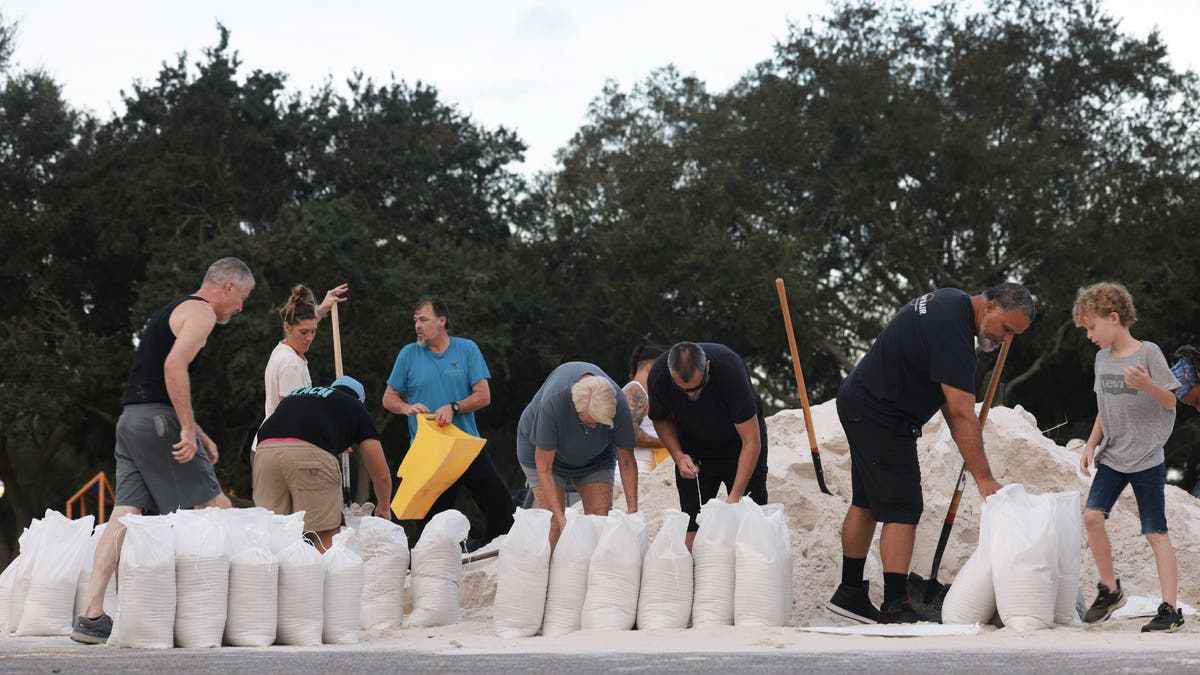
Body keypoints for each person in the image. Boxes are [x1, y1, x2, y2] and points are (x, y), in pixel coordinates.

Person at [71, 257, 255, 645]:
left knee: (123, 514)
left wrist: (199, 431)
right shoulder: (202, 313)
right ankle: (247, 613)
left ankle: (90, 615)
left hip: (131, 421)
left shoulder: (172, 309)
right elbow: (174, 367)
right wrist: (186, 429)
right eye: (243, 298)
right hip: (158, 423)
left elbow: (153, 379)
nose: (241, 308)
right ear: (228, 287)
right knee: (217, 505)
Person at [826, 283, 1033, 625]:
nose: (1005, 340)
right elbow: (963, 411)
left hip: (864, 401)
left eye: (1014, 335)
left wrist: (971, 456)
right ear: (991, 307)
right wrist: (983, 478)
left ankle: (850, 593)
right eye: (1007, 329)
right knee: (904, 507)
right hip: (881, 411)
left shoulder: (950, 302)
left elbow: (951, 408)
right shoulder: (954, 334)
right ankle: (894, 605)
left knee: (866, 502)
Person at [1073, 282, 1183, 632]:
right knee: (1092, 516)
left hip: (1147, 457)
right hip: (1114, 455)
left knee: (1155, 532)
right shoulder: (1101, 359)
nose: (1089, 334)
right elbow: (1104, 407)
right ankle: (1110, 589)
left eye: (1092, 327)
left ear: (1114, 317)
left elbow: (1170, 401)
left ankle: (1170, 610)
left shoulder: (1148, 353)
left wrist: (1147, 385)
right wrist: (1091, 444)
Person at [382, 296, 513, 546]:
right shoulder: (408, 354)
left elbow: (483, 395)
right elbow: (389, 398)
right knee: (430, 525)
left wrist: (455, 407)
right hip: (429, 451)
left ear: (442, 321)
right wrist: (406, 407)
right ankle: (437, 562)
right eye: (415, 320)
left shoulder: (467, 349)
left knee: (501, 505)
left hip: (465, 445)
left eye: (423, 319)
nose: (417, 325)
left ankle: (494, 550)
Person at [646, 342, 768, 549]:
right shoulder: (659, 376)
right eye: (682, 390)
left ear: (708, 367)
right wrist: (678, 455)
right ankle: (695, 577)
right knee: (692, 521)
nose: (691, 395)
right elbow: (660, 418)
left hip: (738, 446)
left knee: (749, 518)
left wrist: (735, 497)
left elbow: (751, 441)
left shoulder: (731, 371)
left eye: (696, 387)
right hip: (692, 448)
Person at [255, 375, 392, 552]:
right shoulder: (356, 406)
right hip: (309, 454)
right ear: (360, 399)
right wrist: (384, 506)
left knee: (274, 532)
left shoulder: (297, 395)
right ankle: (324, 576)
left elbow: (297, 427)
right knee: (323, 536)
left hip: (265, 452)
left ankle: (264, 577)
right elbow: (381, 474)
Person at [517, 362, 638, 546]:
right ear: (576, 407)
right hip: (547, 458)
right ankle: (551, 572)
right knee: (554, 526)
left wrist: (633, 512)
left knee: (600, 520)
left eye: (601, 423)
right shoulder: (554, 402)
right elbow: (544, 467)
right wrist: (560, 518)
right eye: (589, 422)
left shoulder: (618, 402)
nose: (595, 427)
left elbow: (627, 461)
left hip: (597, 458)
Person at [262, 283, 348, 417]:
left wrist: (322, 309)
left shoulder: (282, 350)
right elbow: (294, 416)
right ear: (286, 327)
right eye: (303, 332)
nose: (309, 338)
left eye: (313, 332)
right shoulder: (291, 363)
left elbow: (306, 323)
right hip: (285, 437)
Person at [617, 344, 668, 482]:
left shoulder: (646, 394)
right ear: (651, 368)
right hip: (637, 474)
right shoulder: (634, 390)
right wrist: (666, 443)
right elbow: (628, 431)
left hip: (646, 475)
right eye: (664, 370)